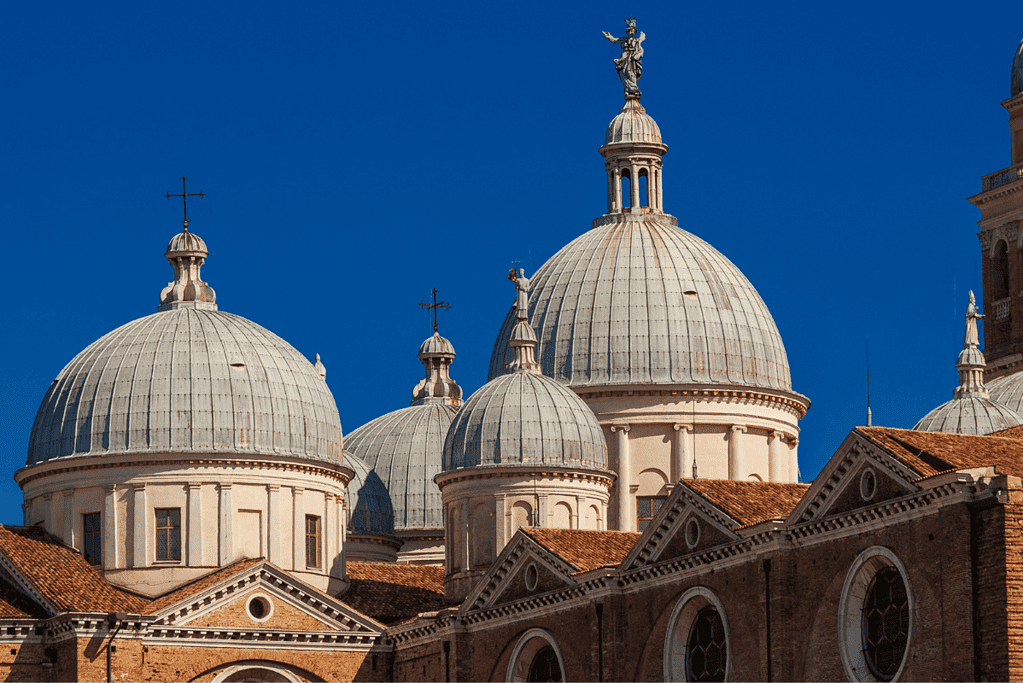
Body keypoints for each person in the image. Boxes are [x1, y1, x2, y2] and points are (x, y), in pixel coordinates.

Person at [602, 18, 646, 99]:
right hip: (624, 58)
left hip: (633, 60)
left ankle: (634, 88)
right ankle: (628, 89)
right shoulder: (623, 39)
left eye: (632, 30)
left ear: (634, 32)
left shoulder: (637, 41)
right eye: (629, 30)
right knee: (624, 73)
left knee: (631, 74)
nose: (631, 32)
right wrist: (608, 36)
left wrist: (637, 55)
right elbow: (614, 40)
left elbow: (641, 50)